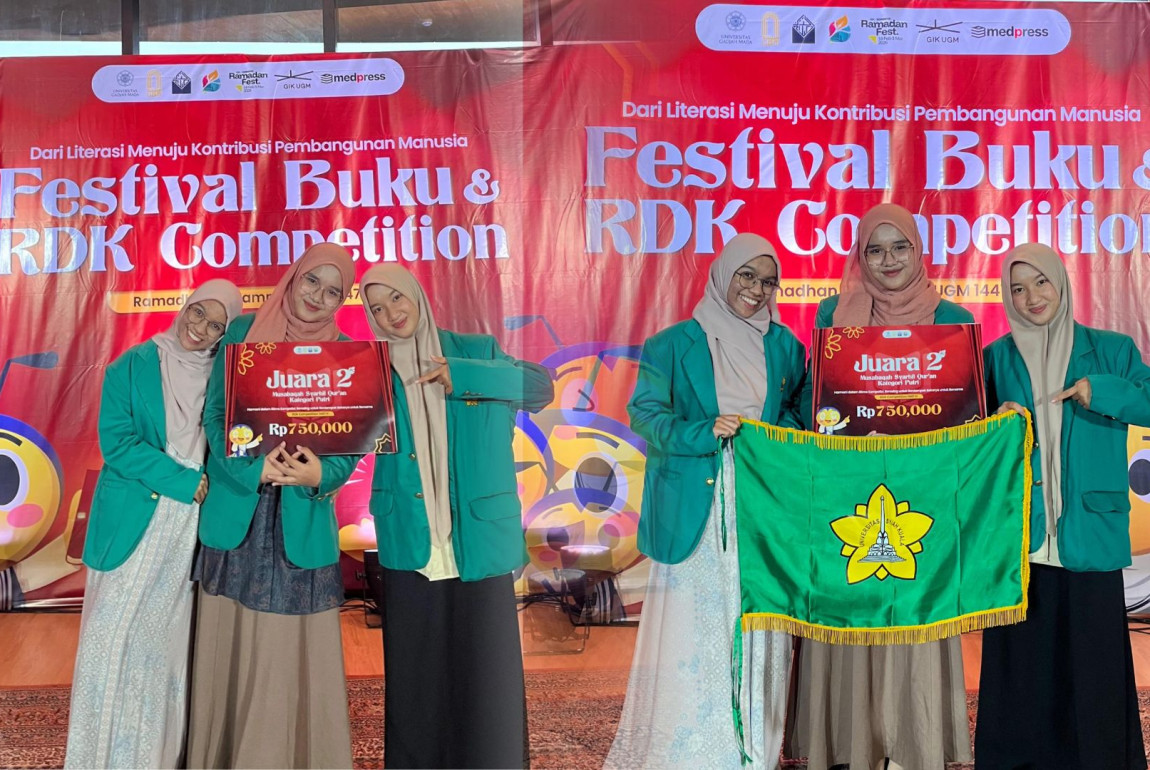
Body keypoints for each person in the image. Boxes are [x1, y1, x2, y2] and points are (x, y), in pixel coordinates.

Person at [606, 233, 806, 769]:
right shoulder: (671, 344)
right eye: (747, 276)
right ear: (723, 275)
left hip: (762, 504)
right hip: (694, 506)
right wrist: (704, 431)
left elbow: (800, 410)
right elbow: (645, 413)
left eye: (768, 282)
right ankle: (691, 750)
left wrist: (774, 435)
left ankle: (753, 749)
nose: (757, 290)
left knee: (759, 622)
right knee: (694, 628)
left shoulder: (785, 346)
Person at [787, 203, 974, 770]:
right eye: (875, 249)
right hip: (846, 487)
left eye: (900, 247)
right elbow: (814, 397)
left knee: (916, 608)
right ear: (860, 257)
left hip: (924, 492)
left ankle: (914, 739)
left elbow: (965, 409)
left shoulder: (952, 319)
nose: (889, 260)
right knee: (852, 604)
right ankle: (848, 742)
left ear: (919, 251)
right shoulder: (833, 315)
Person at [359, 263, 553, 769]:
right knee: (415, 679)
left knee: (487, 677)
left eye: (396, 298)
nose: (390, 313)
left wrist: (460, 375)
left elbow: (541, 388)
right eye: (376, 308)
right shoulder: (369, 370)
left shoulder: (475, 350)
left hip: (479, 538)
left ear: (416, 296)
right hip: (409, 537)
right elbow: (342, 436)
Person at [186, 243, 361, 769]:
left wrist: (321, 475)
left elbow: (353, 439)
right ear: (293, 278)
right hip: (239, 509)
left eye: (333, 291)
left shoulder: (347, 353)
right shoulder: (243, 335)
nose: (318, 297)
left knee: (289, 647)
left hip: (301, 517)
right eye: (312, 281)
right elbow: (215, 414)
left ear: (341, 301)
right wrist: (250, 469)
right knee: (229, 639)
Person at [976, 243, 1150, 769]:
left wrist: (1102, 392)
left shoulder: (1112, 350)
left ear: (1061, 283)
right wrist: (992, 424)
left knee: (1094, 667)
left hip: (1089, 532)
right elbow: (967, 439)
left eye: (1041, 282)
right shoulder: (995, 358)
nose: (1031, 297)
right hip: (1020, 536)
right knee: (1023, 667)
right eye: (1017, 288)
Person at [65, 280, 243, 769]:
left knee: (159, 646)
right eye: (198, 312)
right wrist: (183, 480)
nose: (200, 328)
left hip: (186, 526)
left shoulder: (225, 379)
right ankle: (94, 758)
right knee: (108, 639)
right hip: (134, 518)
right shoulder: (131, 366)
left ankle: (149, 758)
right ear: (185, 307)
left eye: (216, 324)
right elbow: (118, 443)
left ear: (224, 333)